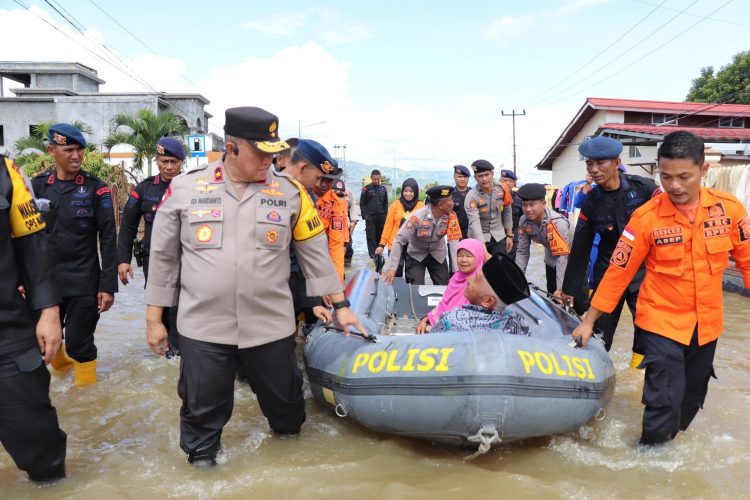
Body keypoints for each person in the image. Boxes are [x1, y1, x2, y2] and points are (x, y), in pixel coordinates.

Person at [145, 106, 367, 465]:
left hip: (270, 327)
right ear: (231, 148)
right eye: (261, 152)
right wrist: (154, 319)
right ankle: (203, 470)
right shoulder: (186, 188)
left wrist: (341, 308)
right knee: (201, 424)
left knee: (288, 416)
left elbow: (315, 256)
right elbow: (164, 258)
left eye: (274, 152)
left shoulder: (290, 193)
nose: (271, 159)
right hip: (204, 328)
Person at [572, 131, 750, 446]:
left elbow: (747, 261)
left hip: (706, 325)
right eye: (666, 177)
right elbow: (617, 273)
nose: (675, 186)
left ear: (703, 170)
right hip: (660, 321)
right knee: (663, 401)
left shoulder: (730, 210)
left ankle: (668, 448)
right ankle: (648, 462)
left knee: (690, 401)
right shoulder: (645, 218)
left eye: (684, 176)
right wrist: (588, 321)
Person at [31, 123, 117, 386]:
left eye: (80, 150)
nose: (76, 156)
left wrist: (107, 285)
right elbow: (24, 238)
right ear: (51, 151)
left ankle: (86, 396)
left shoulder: (96, 188)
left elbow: (108, 236)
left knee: (80, 342)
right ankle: (63, 373)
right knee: (46, 341)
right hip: (46, 283)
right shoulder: (36, 187)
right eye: (68, 150)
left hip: (84, 281)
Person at [0, 155, 67, 482]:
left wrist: (49, 311)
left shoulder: (5, 171)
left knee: (42, 448)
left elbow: (34, 245)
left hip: (7, 334)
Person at [560, 136, 659, 357]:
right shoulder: (590, 201)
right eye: (589, 163)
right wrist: (570, 289)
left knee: (649, 333)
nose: (593, 169)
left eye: (600, 163)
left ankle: (639, 378)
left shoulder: (644, 189)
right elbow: (580, 249)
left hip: (644, 275)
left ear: (616, 163)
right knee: (597, 334)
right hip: (608, 274)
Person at [117, 137, 184, 357]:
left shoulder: (191, 188)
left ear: (182, 162)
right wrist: (123, 260)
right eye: (164, 161)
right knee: (159, 306)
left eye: (174, 161)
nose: (169, 167)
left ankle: (179, 354)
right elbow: (127, 225)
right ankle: (166, 356)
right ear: (157, 161)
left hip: (187, 260)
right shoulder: (144, 189)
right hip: (153, 261)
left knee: (181, 310)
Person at [284, 139, 340, 322]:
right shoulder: (272, 192)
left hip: (304, 275)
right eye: (318, 178)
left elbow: (328, 247)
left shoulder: (312, 199)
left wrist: (329, 289)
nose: (321, 184)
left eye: (326, 180)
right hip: (280, 280)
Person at [431, 254, 530, 335]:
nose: (468, 279)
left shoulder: (451, 320)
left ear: (488, 301)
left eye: (475, 279)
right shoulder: (518, 320)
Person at [382, 185, 462, 286]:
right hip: (416, 253)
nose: (453, 203)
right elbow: (399, 240)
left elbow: (454, 242)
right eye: (450, 200)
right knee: (415, 289)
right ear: (441, 205)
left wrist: (457, 272)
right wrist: (392, 268)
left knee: (444, 286)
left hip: (437, 254)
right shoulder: (417, 217)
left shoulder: (451, 217)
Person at [515, 183, 572, 300]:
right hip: (551, 255)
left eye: (532, 204)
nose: (528, 209)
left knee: (574, 301)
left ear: (544, 203)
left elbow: (562, 257)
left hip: (573, 257)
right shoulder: (523, 221)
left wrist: (561, 289)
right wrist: (517, 279)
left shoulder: (557, 223)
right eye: (524, 205)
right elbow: (522, 251)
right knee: (552, 296)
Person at [416, 238, 485, 333]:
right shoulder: (456, 278)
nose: (463, 260)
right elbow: (444, 304)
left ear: (479, 257)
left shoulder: (483, 282)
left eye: (469, 256)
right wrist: (426, 319)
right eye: (460, 256)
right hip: (447, 326)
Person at [375, 178, 423, 277]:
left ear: (415, 192)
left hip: (413, 246)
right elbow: (388, 226)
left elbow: (424, 228)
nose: (408, 194)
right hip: (395, 244)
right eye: (405, 191)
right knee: (395, 275)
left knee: (413, 276)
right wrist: (381, 245)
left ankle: (410, 292)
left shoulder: (421, 206)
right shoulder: (395, 205)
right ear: (402, 191)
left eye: (411, 191)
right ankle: (395, 293)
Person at [465, 159, 513, 256]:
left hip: (499, 235)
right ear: (475, 178)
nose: (484, 179)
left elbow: (507, 211)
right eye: (480, 176)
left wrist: (509, 235)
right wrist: (483, 250)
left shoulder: (502, 189)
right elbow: (475, 223)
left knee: (500, 266)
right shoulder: (472, 197)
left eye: (487, 175)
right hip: (478, 238)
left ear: (492, 174)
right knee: (481, 269)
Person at [313, 161, 348, 283]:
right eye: (321, 179)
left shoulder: (335, 203)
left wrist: (337, 284)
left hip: (318, 255)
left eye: (328, 180)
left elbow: (336, 246)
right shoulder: (301, 193)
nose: (323, 184)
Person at [360, 169, 388, 259]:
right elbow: (362, 203)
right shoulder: (366, 189)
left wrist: (385, 216)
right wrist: (365, 216)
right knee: (371, 237)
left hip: (381, 217)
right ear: (371, 178)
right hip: (370, 217)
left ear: (380, 179)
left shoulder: (383, 189)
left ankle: (379, 255)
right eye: (374, 179)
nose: (376, 181)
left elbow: (385, 204)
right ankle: (372, 257)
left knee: (380, 237)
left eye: (378, 179)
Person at [501, 169, 522, 261]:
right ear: (500, 181)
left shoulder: (518, 199)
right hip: (497, 237)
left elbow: (522, 217)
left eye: (511, 181)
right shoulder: (494, 197)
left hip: (514, 237)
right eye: (505, 180)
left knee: (511, 264)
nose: (508, 183)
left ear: (514, 183)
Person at [452, 165, 471, 239]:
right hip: (455, 235)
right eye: (459, 176)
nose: (462, 179)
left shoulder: (474, 194)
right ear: (454, 177)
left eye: (465, 177)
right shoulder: (449, 195)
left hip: (472, 234)